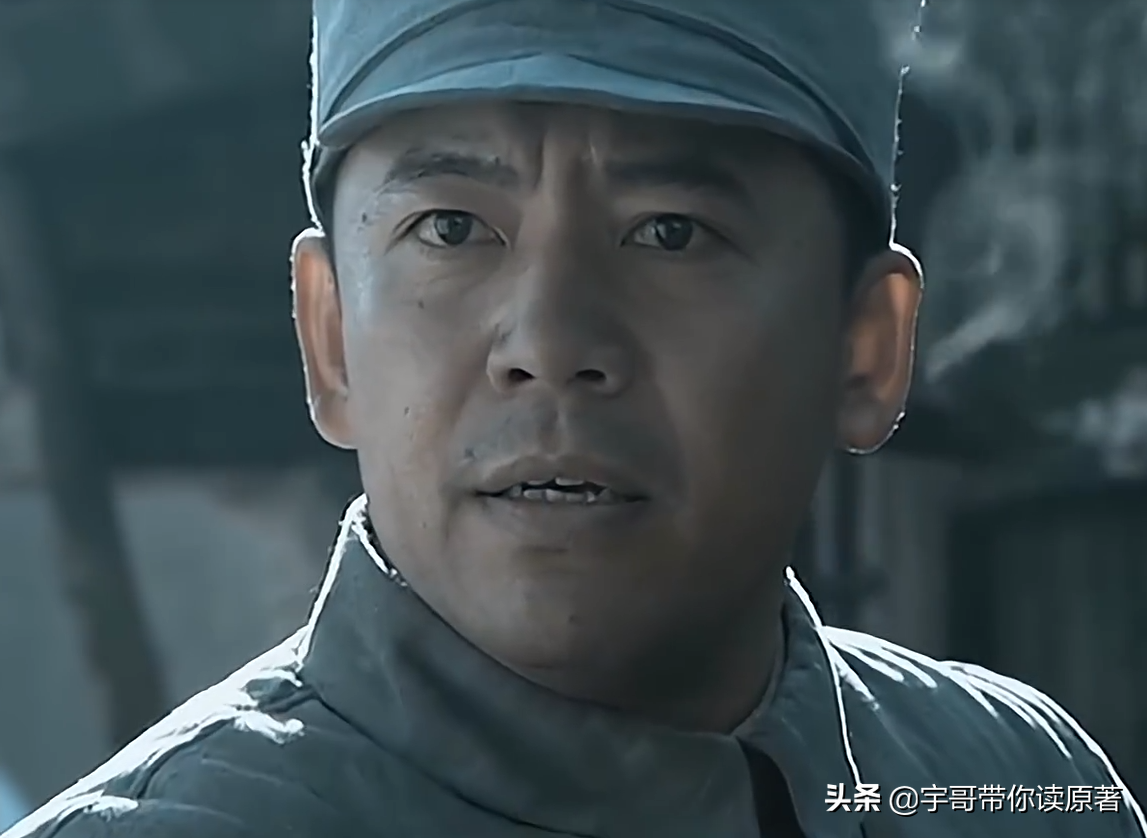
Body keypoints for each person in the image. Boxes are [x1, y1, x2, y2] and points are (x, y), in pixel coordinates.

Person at [5, 0, 1145, 836]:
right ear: (331, 335)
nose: (548, 342)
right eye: (451, 228)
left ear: (863, 346)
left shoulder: (1011, 787)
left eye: (670, 232)